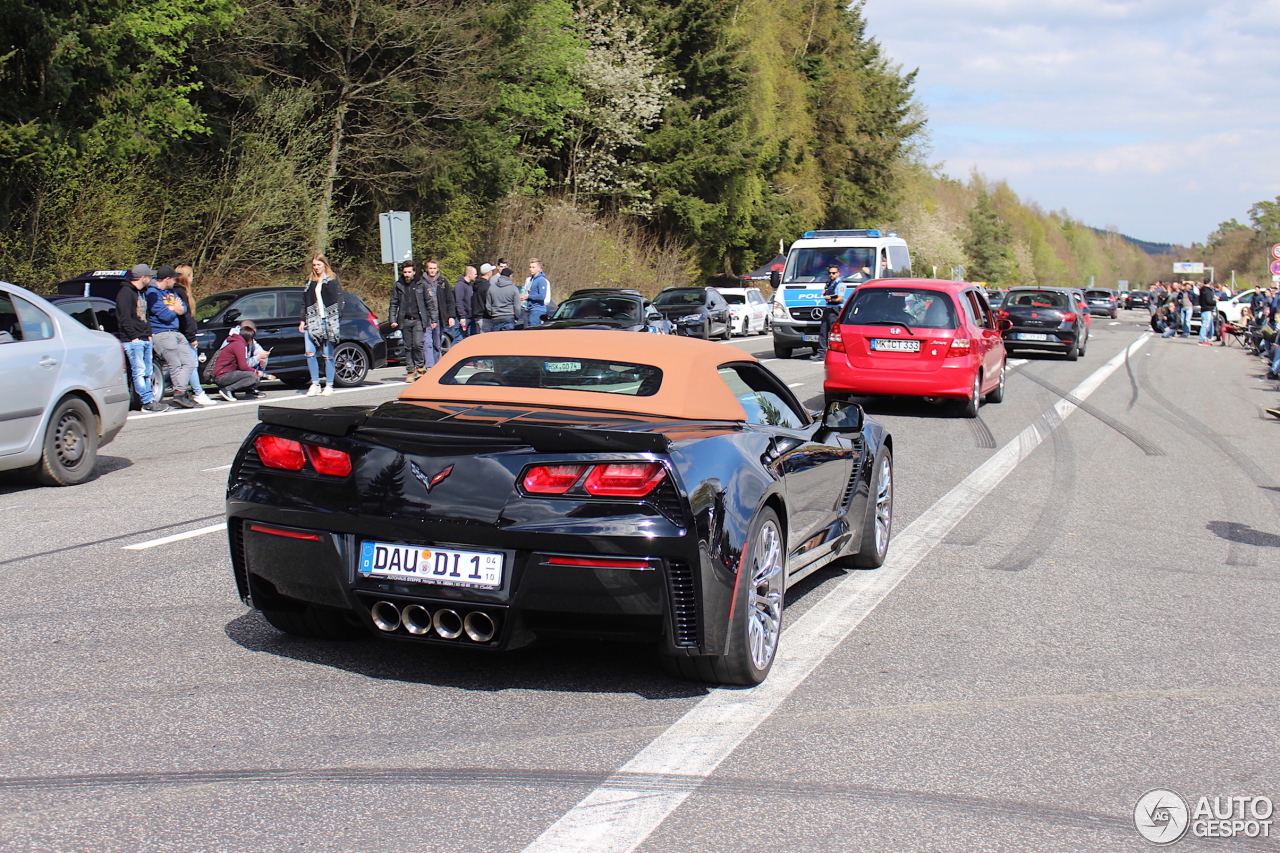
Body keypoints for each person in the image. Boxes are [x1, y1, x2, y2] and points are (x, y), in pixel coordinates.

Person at [115, 264, 167, 412]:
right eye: (149, 276)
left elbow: (145, 316)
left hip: (144, 337)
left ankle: (150, 398)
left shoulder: (141, 293)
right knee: (139, 371)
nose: (151, 279)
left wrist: (148, 334)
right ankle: (147, 401)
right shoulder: (125, 293)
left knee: (148, 371)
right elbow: (124, 318)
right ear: (142, 277)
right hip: (133, 340)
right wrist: (133, 337)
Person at [148, 264, 199, 408]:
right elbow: (164, 315)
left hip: (176, 332)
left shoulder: (171, 292)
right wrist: (173, 309)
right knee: (175, 364)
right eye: (173, 279)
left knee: (189, 362)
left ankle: (180, 391)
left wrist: (175, 308)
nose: (175, 282)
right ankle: (180, 394)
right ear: (167, 279)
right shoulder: (153, 294)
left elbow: (184, 308)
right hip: (162, 333)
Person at [173, 264, 218, 405]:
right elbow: (185, 317)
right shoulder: (180, 292)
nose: (193, 278)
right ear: (186, 277)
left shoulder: (178, 291)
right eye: (191, 275)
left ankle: (190, 391)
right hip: (185, 335)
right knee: (191, 364)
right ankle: (198, 392)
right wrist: (191, 336)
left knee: (186, 364)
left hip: (183, 334)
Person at [298, 254, 342, 396]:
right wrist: (302, 320)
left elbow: (339, 299)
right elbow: (305, 301)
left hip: (329, 321)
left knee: (328, 355)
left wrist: (337, 318)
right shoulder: (310, 281)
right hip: (312, 321)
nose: (316, 267)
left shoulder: (333, 279)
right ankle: (315, 383)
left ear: (324, 264)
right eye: (314, 265)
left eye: (319, 264)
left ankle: (329, 385)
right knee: (310, 352)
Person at [389, 260, 438, 381]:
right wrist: (392, 319)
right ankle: (410, 371)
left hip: (418, 320)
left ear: (414, 272)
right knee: (408, 346)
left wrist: (433, 319)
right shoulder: (398, 285)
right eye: (405, 272)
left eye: (409, 272)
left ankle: (420, 368)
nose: (407, 274)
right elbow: (394, 303)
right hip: (405, 319)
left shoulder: (421, 284)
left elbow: (429, 303)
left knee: (418, 344)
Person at [212, 319, 266, 400]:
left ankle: (239, 390)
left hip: (227, 373)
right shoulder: (239, 345)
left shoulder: (236, 341)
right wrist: (256, 371)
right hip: (222, 375)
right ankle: (227, 390)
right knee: (254, 376)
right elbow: (243, 366)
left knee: (253, 376)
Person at [422, 259, 455, 355]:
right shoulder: (421, 283)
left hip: (439, 317)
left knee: (437, 343)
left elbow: (450, 300)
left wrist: (451, 316)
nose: (432, 270)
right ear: (427, 269)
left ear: (437, 269)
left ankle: (436, 364)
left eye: (434, 268)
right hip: (427, 317)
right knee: (427, 342)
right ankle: (429, 366)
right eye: (430, 268)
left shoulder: (443, 282)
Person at [813, 265, 842, 360]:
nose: (831, 275)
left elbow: (840, 298)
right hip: (828, 309)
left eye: (833, 273)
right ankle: (821, 353)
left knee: (834, 333)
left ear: (838, 274)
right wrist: (825, 293)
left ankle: (836, 353)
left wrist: (830, 298)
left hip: (835, 310)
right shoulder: (829, 283)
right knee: (823, 332)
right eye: (830, 273)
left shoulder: (840, 285)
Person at [486, 266, 520, 331]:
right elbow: (517, 307)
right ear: (509, 276)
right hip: (509, 316)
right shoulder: (513, 289)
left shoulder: (491, 288)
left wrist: (492, 314)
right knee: (508, 340)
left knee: (496, 340)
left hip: (495, 317)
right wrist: (516, 317)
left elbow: (488, 306)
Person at [525, 258, 553, 327]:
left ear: (539, 269)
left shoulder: (541, 280)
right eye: (530, 267)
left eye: (533, 267)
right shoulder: (531, 280)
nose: (531, 269)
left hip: (537, 310)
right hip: (530, 309)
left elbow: (541, 296)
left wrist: (528, 296)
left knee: (533, 331)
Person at [454, 265, 477, 339]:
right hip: (463, 317)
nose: (476, 276)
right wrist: (462, 316)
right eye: (475, 274)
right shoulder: (460, 285)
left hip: (470, 316)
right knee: (459, 339)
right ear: (469, 274)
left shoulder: (470, 285)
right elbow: (459, 301)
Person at [472, 263, 495, 334]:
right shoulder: (487, 286)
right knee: (486, 340)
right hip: (485, 316)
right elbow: (489, 301)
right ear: (488, 273)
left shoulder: (476, 284)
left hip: (476, 315)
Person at [1198, 280, 1218, 345]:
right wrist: (1215, 301)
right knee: (1205, 325)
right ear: (1210, 283)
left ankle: (1204, 338)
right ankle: (1202, 339)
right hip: (1207, 309)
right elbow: (1209, 300)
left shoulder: (1202, 290)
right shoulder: (1208, 291)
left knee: (1206, 324)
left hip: (1203, 308)